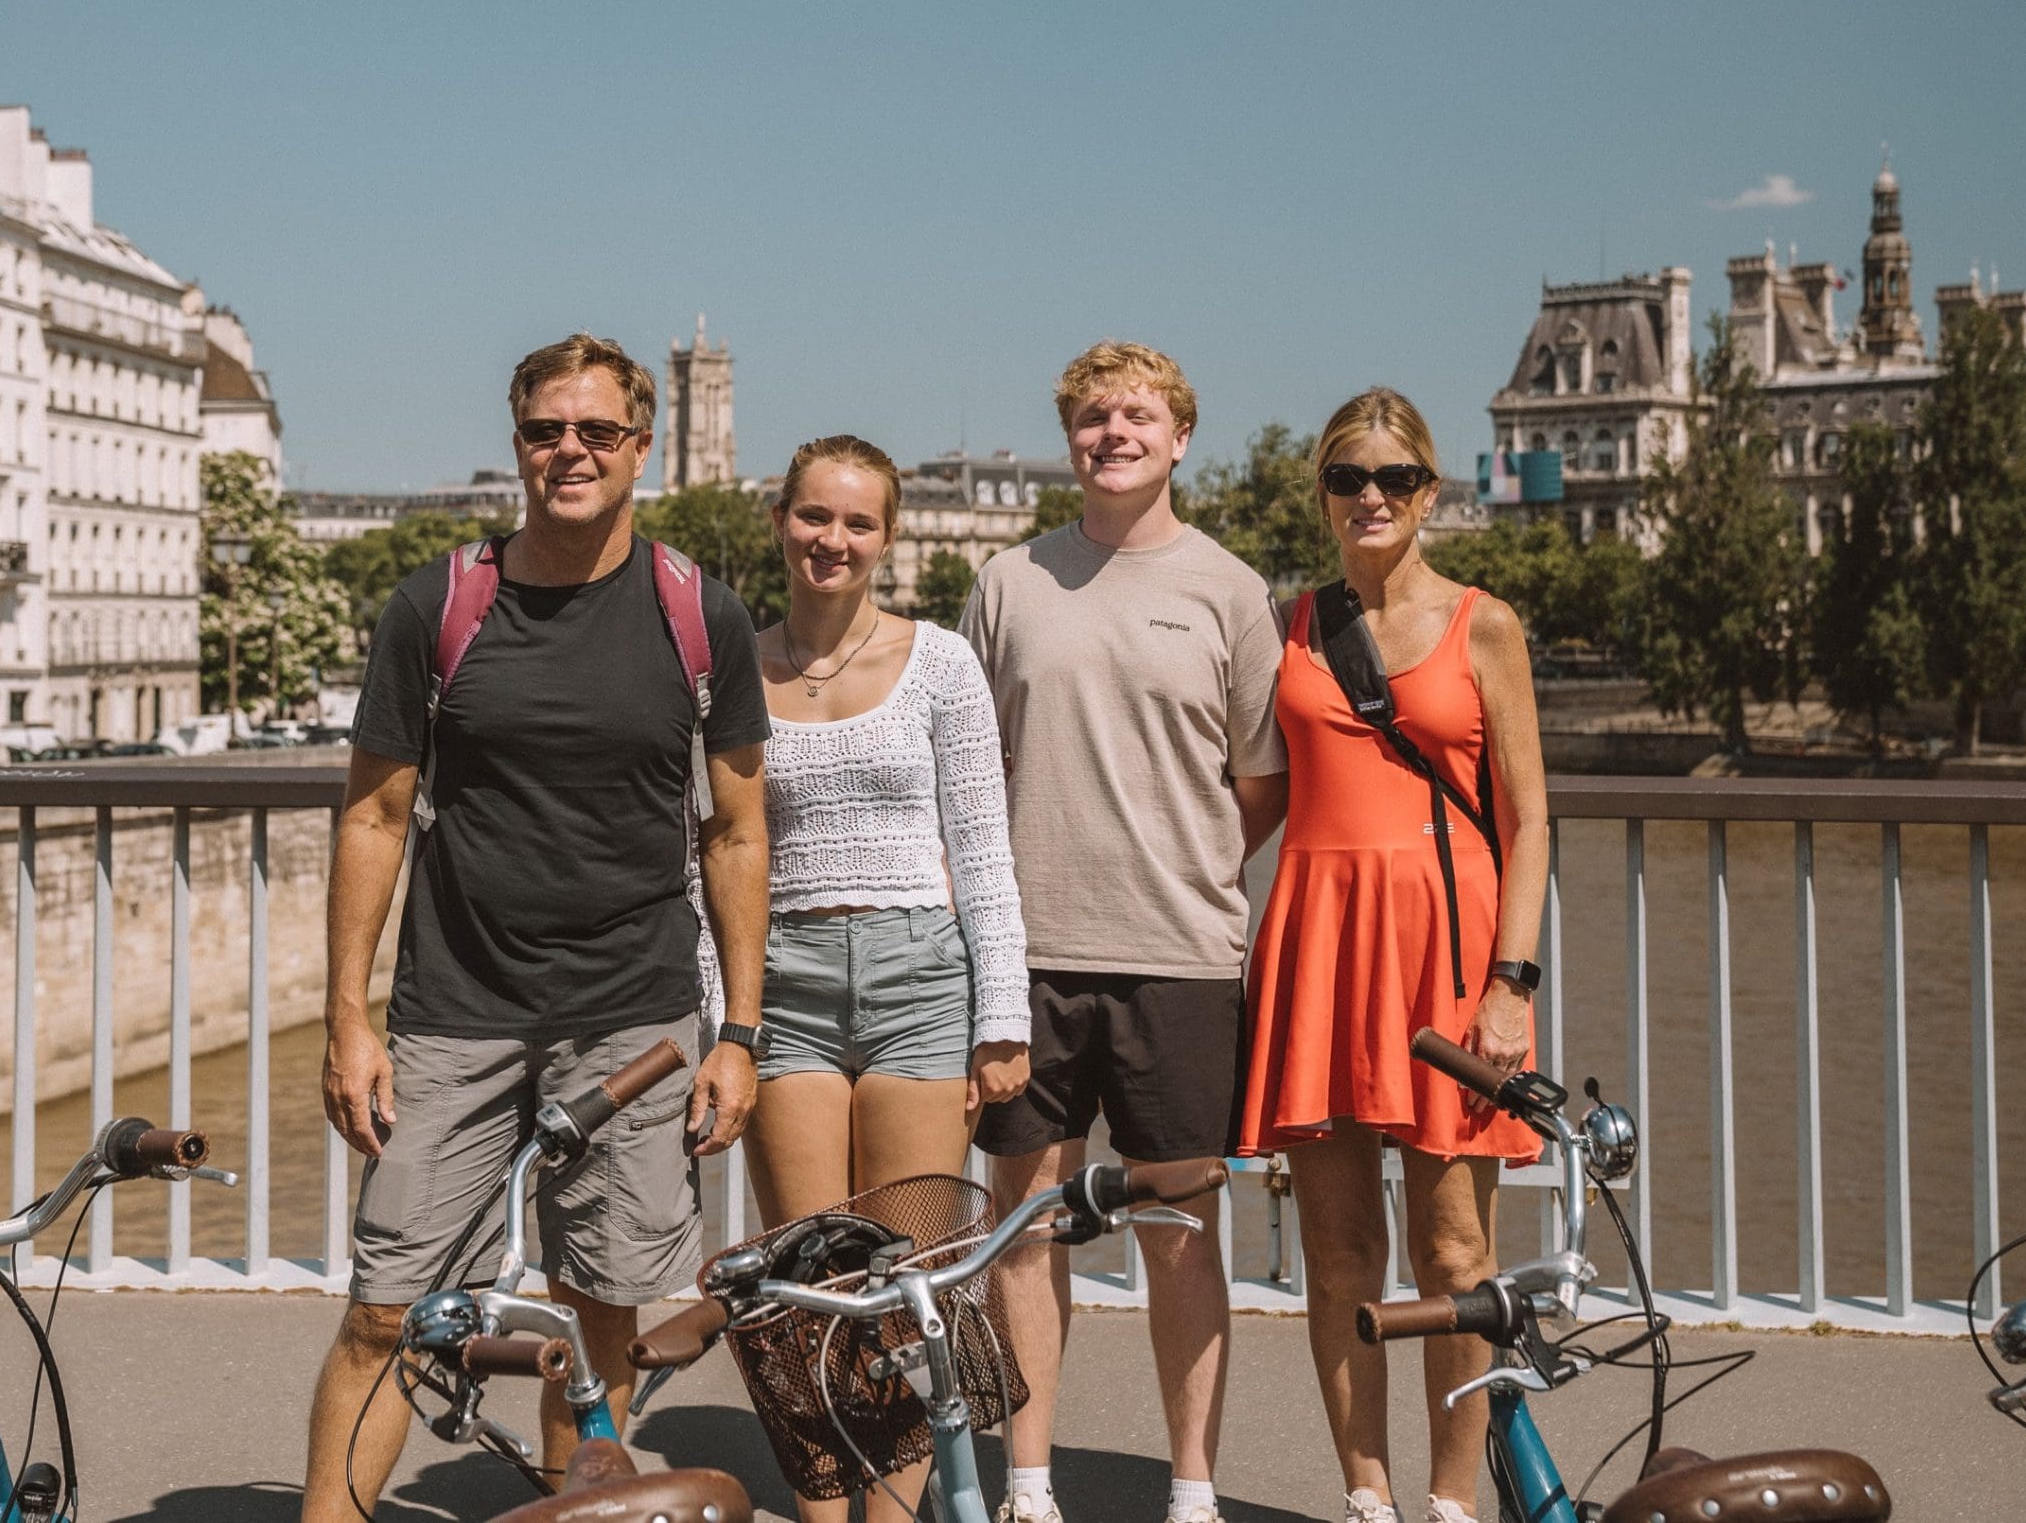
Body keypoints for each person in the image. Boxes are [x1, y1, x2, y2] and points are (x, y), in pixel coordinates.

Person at [302, 335, 772, 1522]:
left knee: (592, 1315)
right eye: (546, 431)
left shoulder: (696, 613)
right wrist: (346, 1019)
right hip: (456, 1011)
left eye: (597, 432)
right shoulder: (440, 603)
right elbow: (375, 814)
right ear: (517, 443)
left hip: (632, 1015)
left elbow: (736, 834)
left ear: (640, 447)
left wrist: (741, 1034)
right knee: (387, 1312)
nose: (571, 452)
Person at [961, 342, 1288, 1523]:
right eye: (1094, 416)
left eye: (1137, 415)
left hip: (1178, 958)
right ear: (1070, 439)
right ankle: (1031, 1481)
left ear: (1179, 437)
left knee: (1183, 1235)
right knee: (1021, 1230)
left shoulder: (1231, 592)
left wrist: (1183, 863)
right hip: (1027, 955)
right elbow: (975, 767)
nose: (1115, 433)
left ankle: (1190, 1490)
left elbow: (1258, 779)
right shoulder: (1007, 584)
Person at [1235, 388, 1549, 1523]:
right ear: (1320, 494)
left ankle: (1452, 1501)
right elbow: (1240, 794)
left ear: (1429, 490)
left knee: (1456, 1254)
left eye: (1395, 479)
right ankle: (1365, 1494)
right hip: (1319, 950)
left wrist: (1511, 986)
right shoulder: (1285, 628)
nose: (1371, 498)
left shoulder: (1484, 622)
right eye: (1346, 479)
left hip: (1450, 964)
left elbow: (1528, 820)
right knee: (1338, 1252)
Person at [746, 433, 1032, 1523]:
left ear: (886, 539)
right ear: (781, 520)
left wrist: (1000, 1014)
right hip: (787, 983)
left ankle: (898, 1517)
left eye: (858, 523)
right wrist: (725, 1019)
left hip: (920, 976)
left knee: (912, 1292)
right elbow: (705, 854)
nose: (833, 539)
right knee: (807, 1292)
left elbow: (983, 847)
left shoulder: (942, 663)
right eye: (815, 516)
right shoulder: (734, 668)